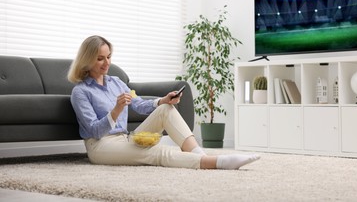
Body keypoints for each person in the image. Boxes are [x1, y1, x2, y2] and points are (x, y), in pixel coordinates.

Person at [68, 35, 260, 170]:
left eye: (109, 57)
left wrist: (162, 100)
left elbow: (139, 105)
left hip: (124, 139)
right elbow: (94, 131)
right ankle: (213, 163)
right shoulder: (81, 92)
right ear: (87, 60)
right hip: (101, 147)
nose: (107, 62)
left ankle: (200, 154)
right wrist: (116, 110)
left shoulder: (116, 83)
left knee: (166, 109)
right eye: (100, 58)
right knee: (155, 153)